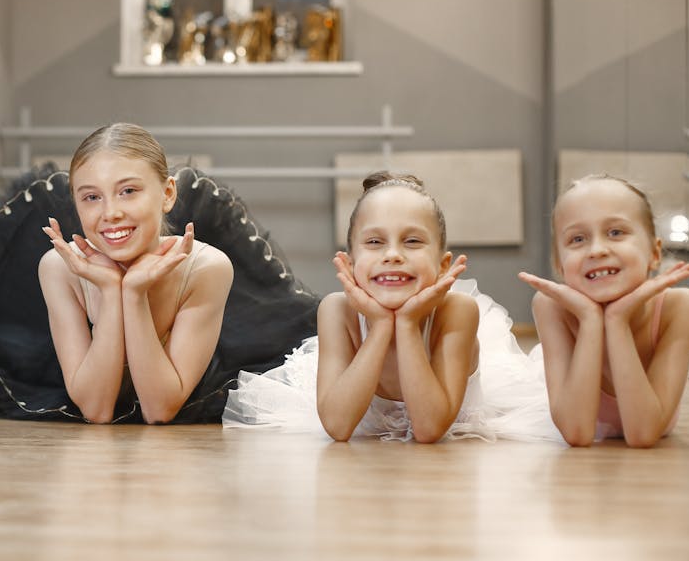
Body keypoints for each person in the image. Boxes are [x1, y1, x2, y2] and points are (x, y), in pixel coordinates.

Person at [0, 122, 319, 423]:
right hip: (76, 375)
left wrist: (133, 293)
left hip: (180, 381)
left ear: (167, 194)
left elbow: (159, 409)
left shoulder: (207, 268)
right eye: (91, 197)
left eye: (128, 191)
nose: (110, 212)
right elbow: (98, 410)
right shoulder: (58, 268)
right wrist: (108, 286)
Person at [224, 171, 556, 442]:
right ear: (351, 262)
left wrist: (408, 325)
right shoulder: (337, 311)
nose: (393, 254)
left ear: (442, 265)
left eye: (412, 241)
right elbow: (338, 427)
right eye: (374, 242)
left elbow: (428, 429)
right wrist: (381, 326)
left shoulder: (458, 312)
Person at [518, 174, 689, 447]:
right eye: (578, 239)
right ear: (560, 265)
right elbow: (577, 433)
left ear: (654, 253)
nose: (597, 250)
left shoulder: (682, 307)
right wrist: (591, 320)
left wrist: (617, 320)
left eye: (616, 232)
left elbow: (642, 434)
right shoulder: (551, 306)